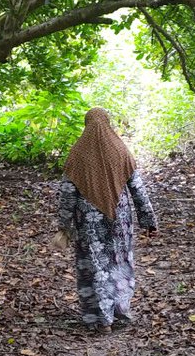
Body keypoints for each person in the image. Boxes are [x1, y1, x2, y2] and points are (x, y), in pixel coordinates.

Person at [57, 108, 157, 333]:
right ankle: (119, 312)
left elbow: (67, 194)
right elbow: (137, 188)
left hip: (88, 223)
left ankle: (102, 320)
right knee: (119, 262)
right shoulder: (120, 151)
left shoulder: (77, 154)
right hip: (120, 220)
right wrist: (148, 220)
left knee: (95, 266)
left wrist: (64, 225)